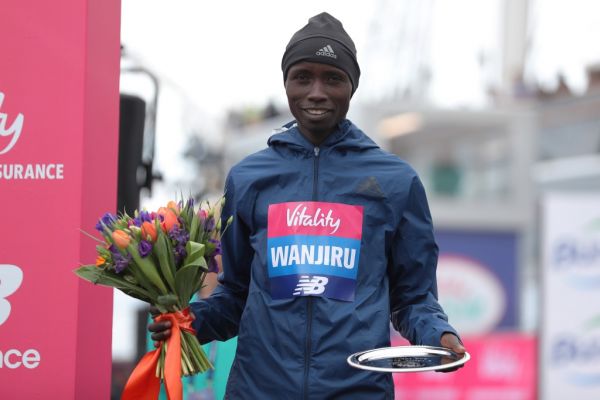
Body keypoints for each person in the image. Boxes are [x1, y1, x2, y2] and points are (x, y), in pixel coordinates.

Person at [150, 12, 465, 399]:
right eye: (302, 77)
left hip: (356, 391)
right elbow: (234, 295)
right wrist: (186, 321)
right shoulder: (248, 178)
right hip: (259, 390)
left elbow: (413, 298)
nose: (316, 91)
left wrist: (440, 334)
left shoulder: (397, 181)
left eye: (332, 78)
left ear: (352, 86)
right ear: (286, 84)